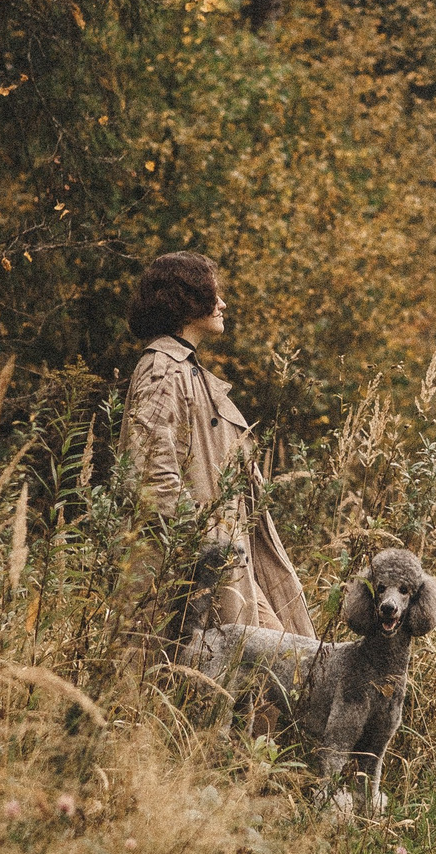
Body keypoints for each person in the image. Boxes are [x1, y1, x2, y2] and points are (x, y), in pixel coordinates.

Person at [123, 252, 315, 645]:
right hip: (195, 571)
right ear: (185, 300)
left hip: (225, 564)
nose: (222, 303)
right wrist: (203, 551)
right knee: (267, 680)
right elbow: (151, 475)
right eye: (213, 293)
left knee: (287, 673)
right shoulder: (163, 371)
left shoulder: (185, 370)